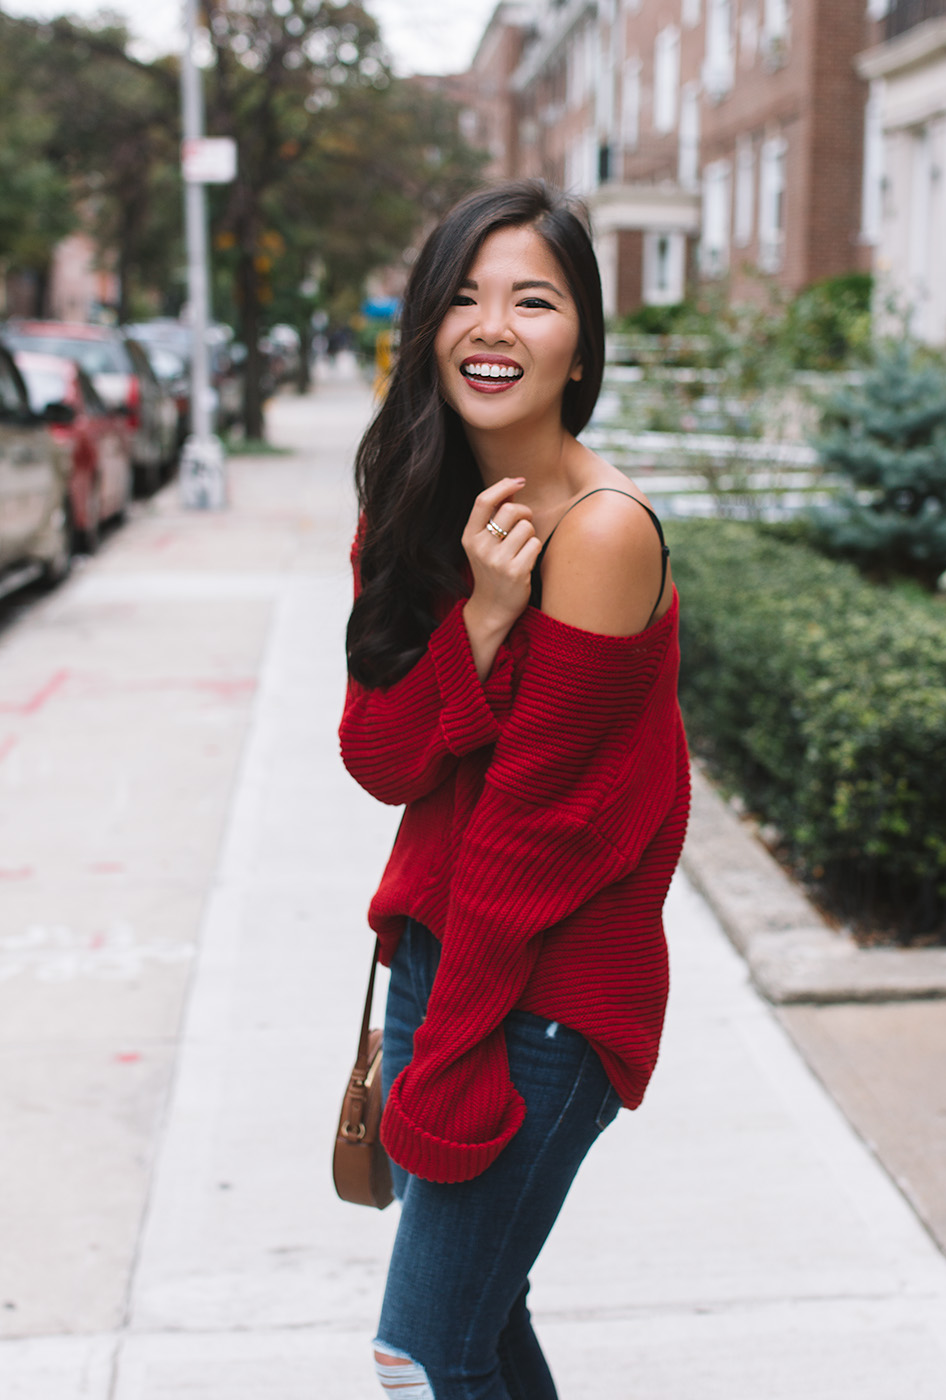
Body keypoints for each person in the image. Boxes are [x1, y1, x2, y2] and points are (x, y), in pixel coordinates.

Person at [339, 180, 690, 1400]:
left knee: (418, 1351)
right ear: (428, 323)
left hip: (546, 987)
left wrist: (446, 1059)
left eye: (531, 300)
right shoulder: (414, 498)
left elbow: (532, 839)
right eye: (465, 297)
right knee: (479, 1327)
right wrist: (481, 618)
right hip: (443, 959)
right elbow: (381, 757)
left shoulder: (603, 532)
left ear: (580, 342)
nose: (493, 326)